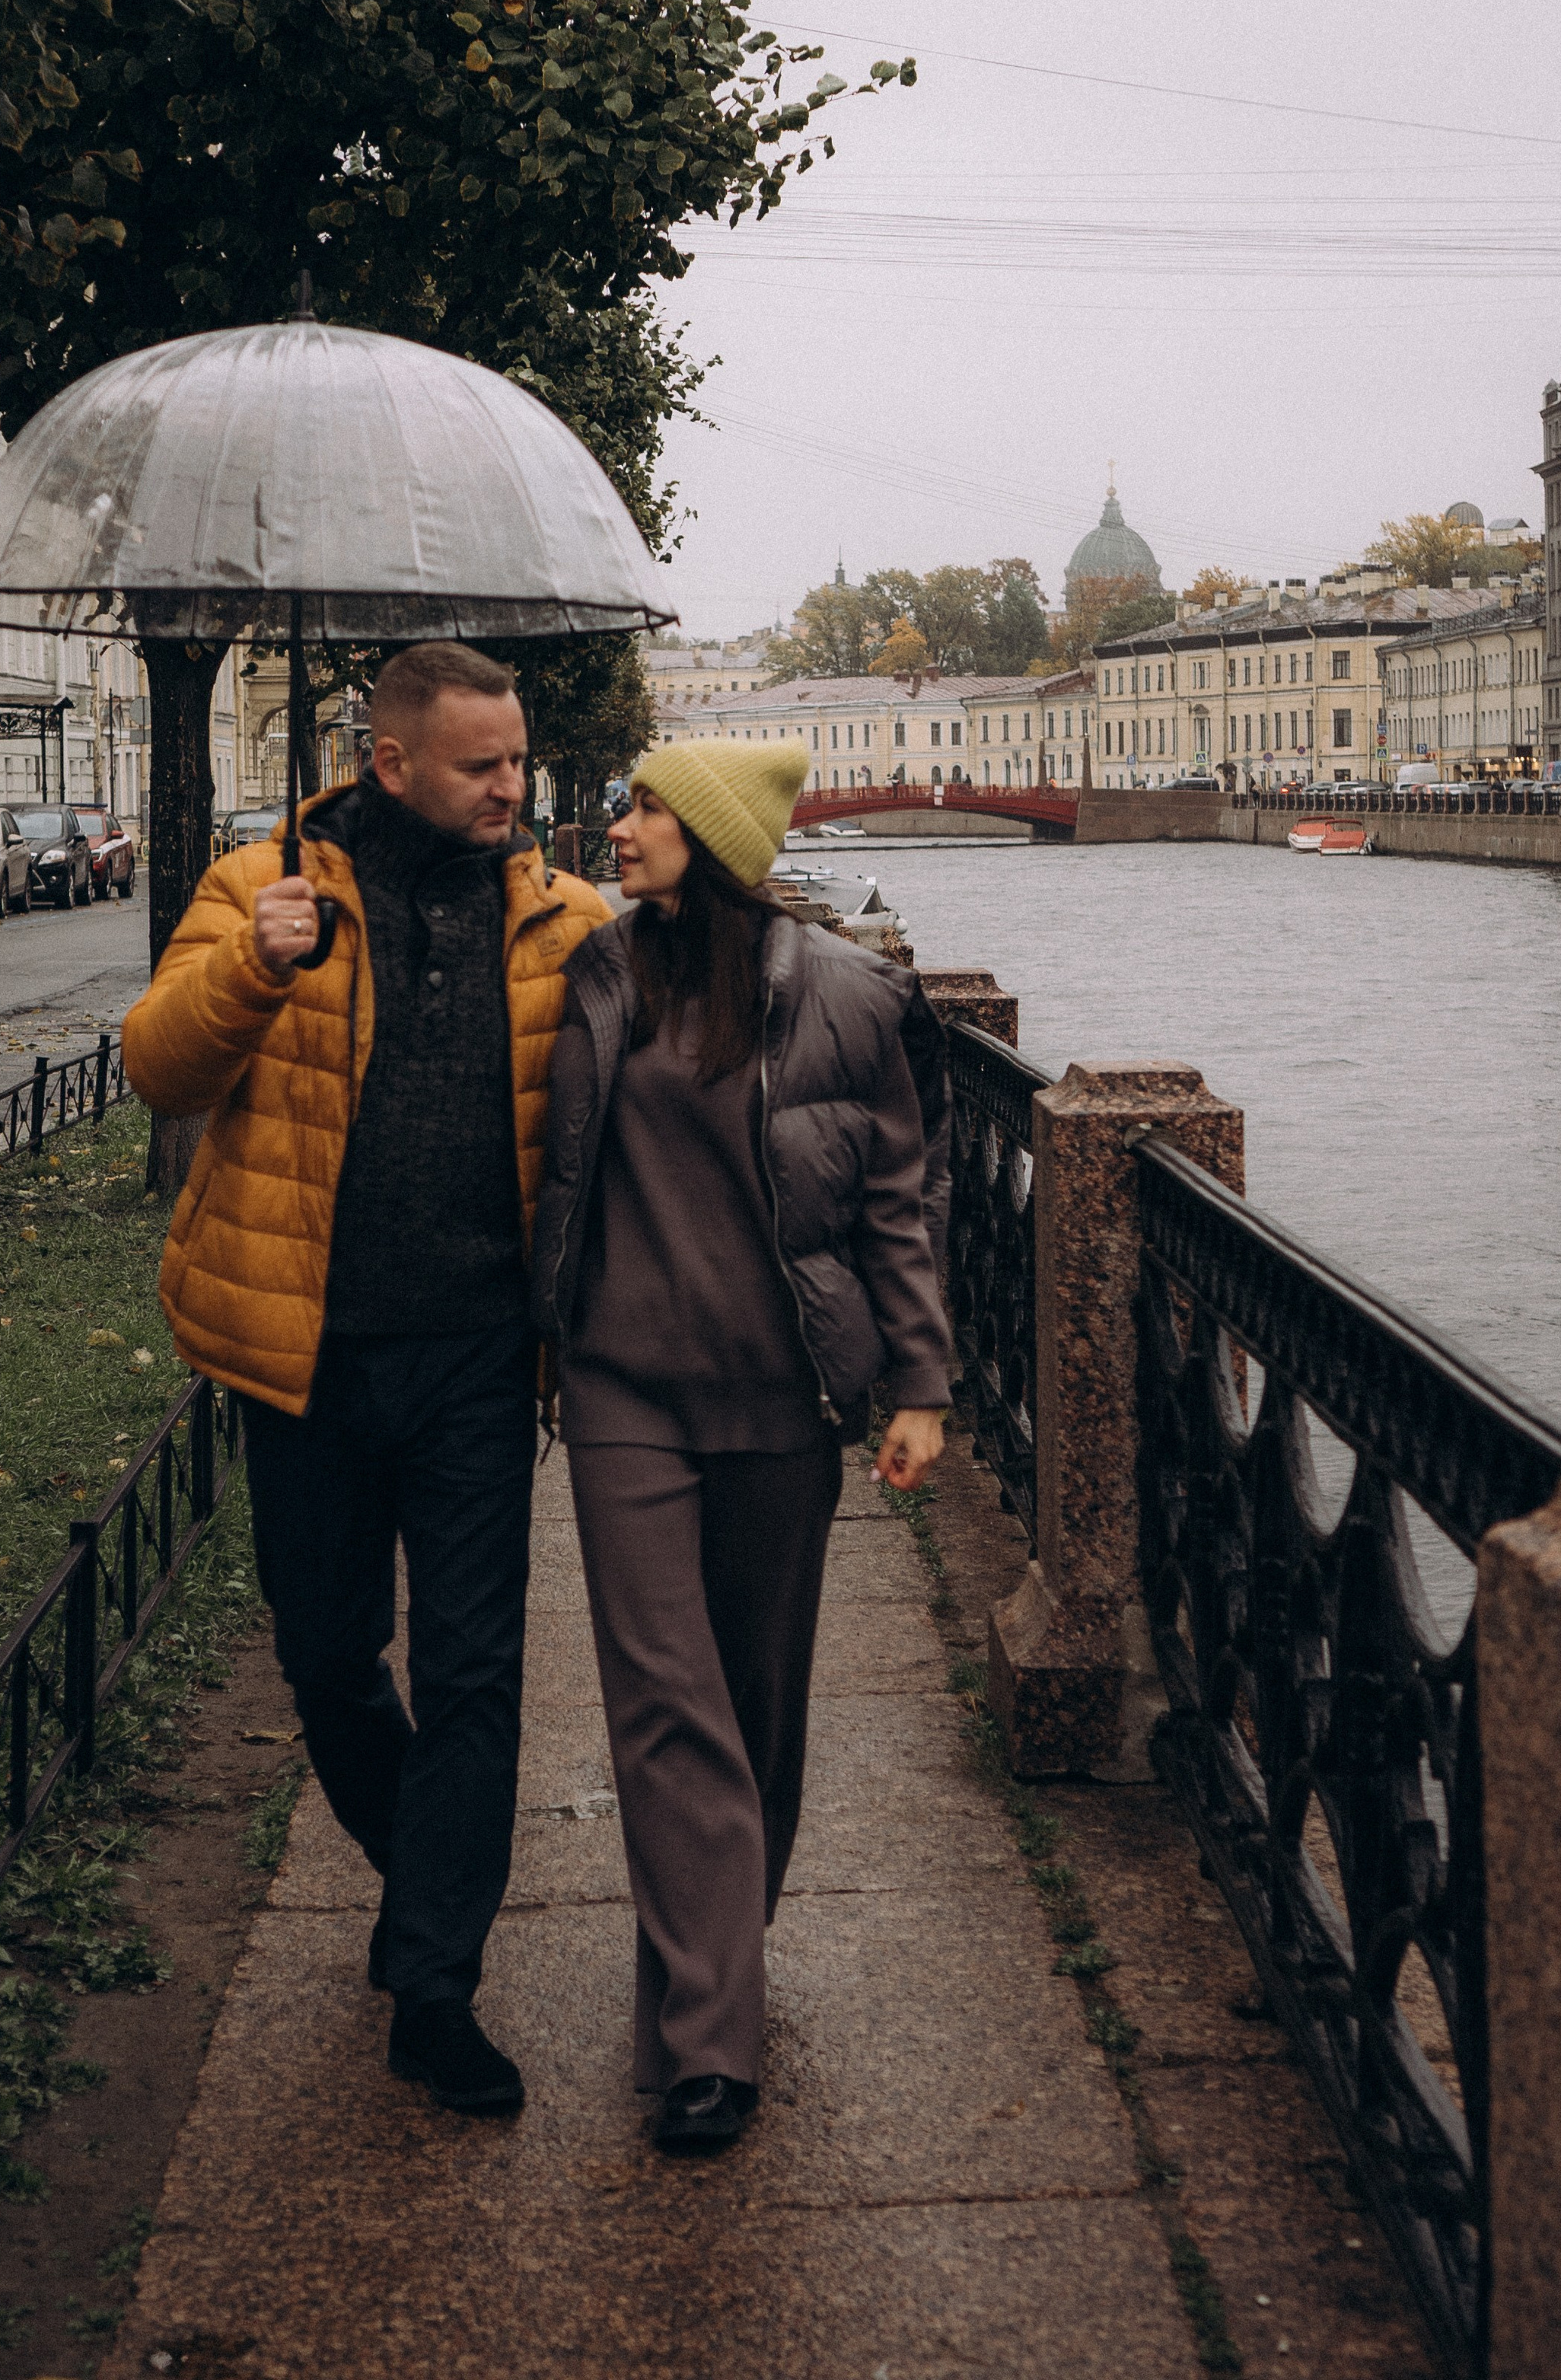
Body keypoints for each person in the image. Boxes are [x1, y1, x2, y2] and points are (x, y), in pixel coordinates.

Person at [122, 640, 609, 2117]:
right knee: (329, 1657)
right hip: (304, 1356)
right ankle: (433, 1875)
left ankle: (435, 1989)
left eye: (518, 762)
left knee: (474, 1673)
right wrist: (248, 969)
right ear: (391, 762)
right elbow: (158, 1068)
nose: (511, 790)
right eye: (482, 767)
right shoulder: (267, 889)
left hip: (474, 1358)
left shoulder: (563, 919)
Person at [531, 739, 951, 2155]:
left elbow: (896, 1199)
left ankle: (705, 1952)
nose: (620, 823)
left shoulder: (843, 995)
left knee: (759, 1708)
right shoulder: (596, 971)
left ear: (708, 838)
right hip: (620, 1392)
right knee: (666, 1703)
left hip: (781, 1398)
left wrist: (921, 1385)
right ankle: (713, 2049)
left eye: (646, 805)